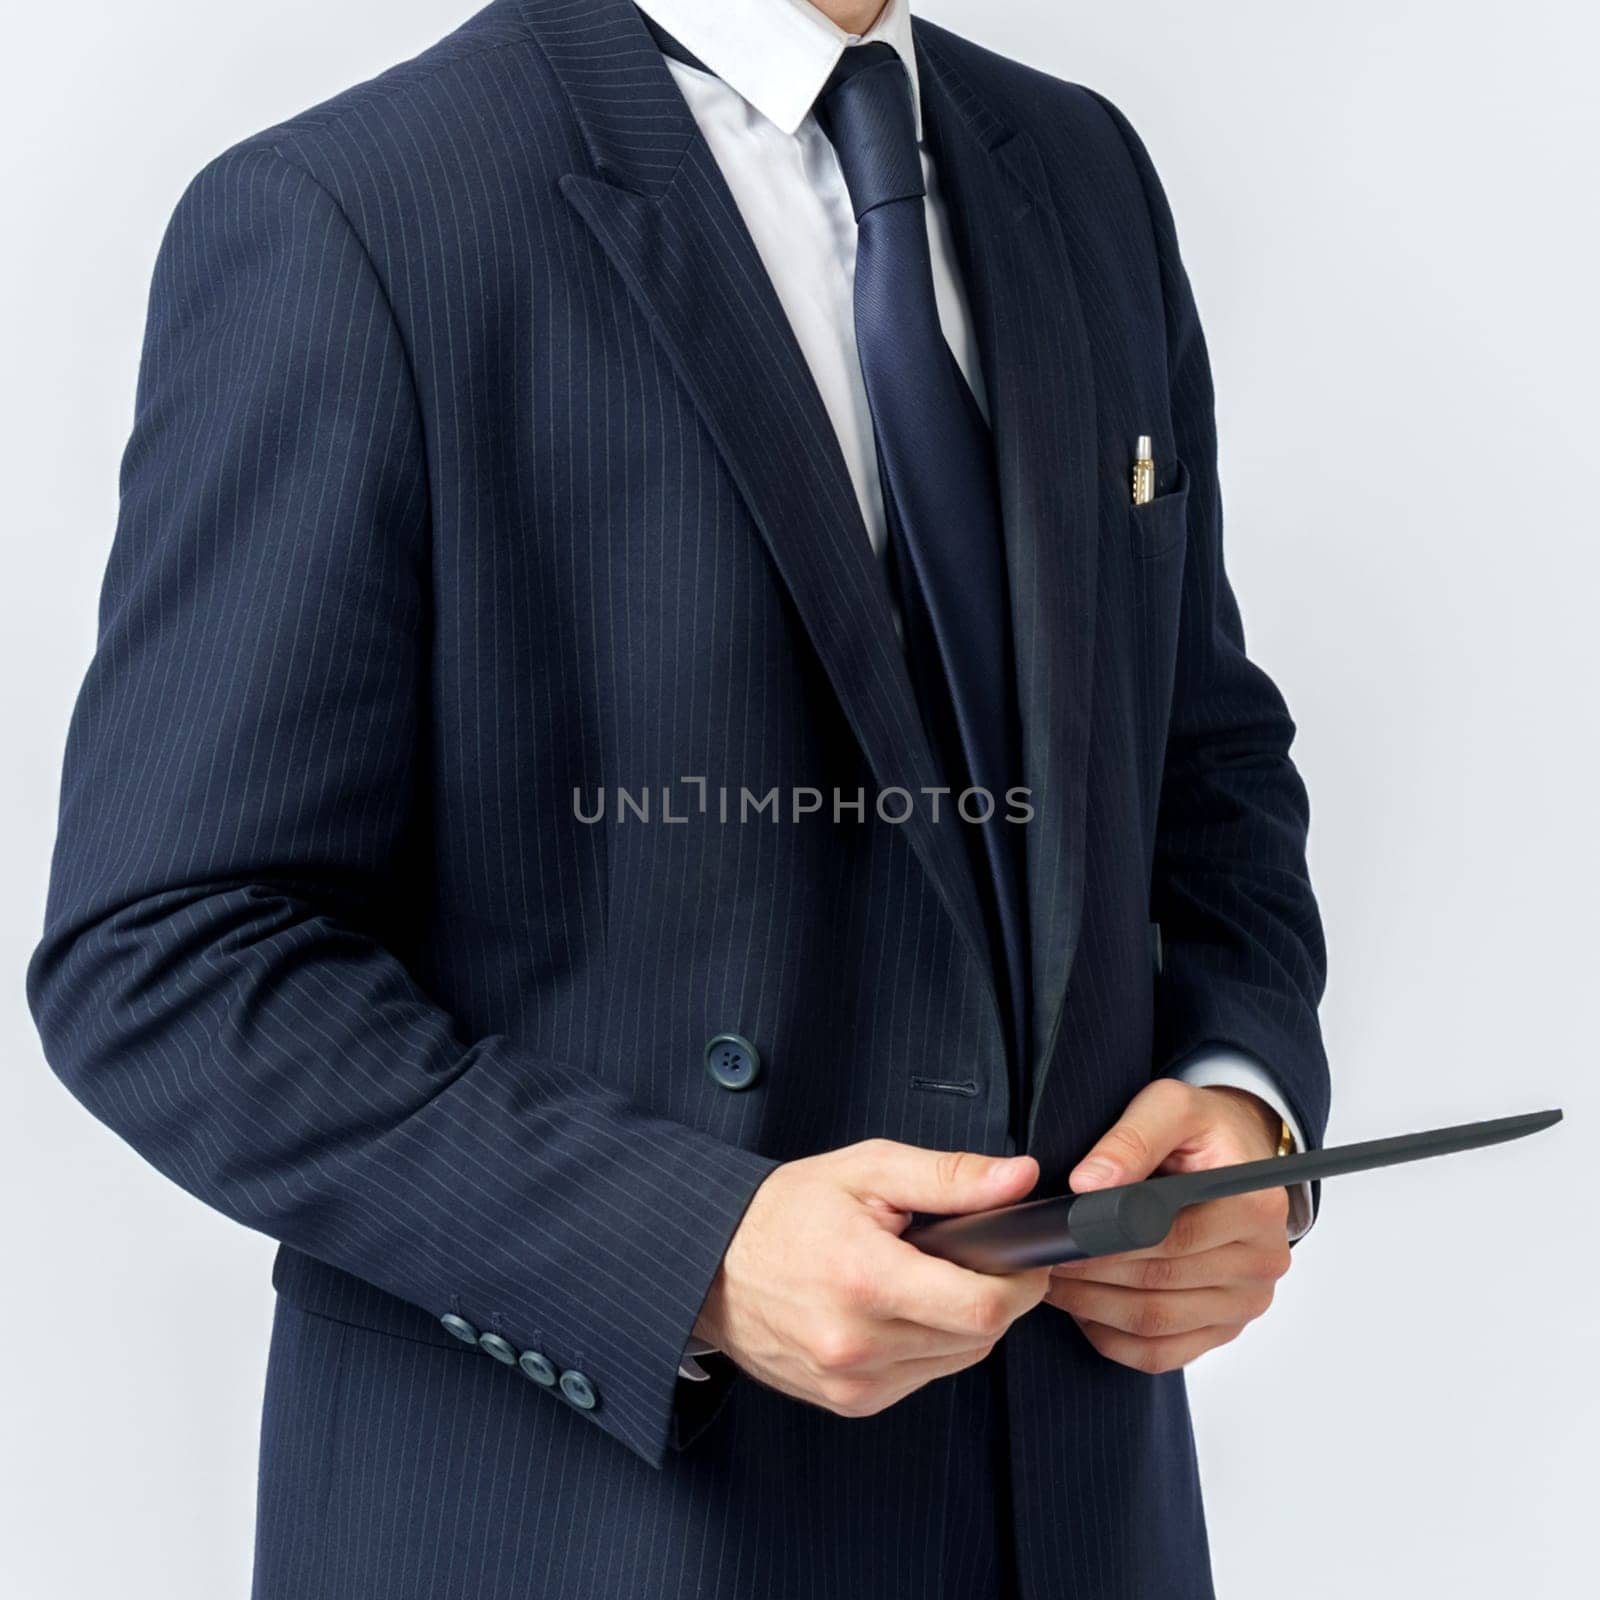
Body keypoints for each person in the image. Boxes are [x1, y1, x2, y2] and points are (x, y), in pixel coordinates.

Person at [27, 1, 1330, 1595]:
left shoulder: (1080, 168)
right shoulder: (353, 213)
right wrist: (687, 1250)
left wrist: (1238, 1096)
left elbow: (1198, 751)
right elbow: (163, 950)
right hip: (596, 1531)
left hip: (1076, 1513)